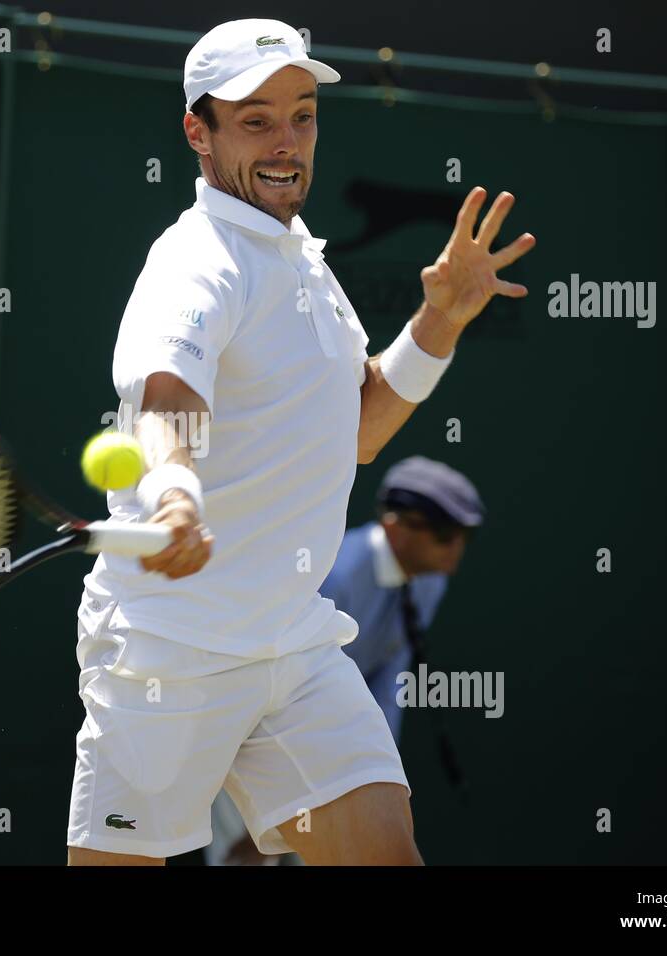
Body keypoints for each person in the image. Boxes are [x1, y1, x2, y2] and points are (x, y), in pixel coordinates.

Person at [67, 17, 535, 866]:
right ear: (196, 133)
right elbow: (167, 397)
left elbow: (357, 430)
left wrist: (439, 320)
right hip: (171, 650)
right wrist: (175, 490)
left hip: (293, 644)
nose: (288, 143)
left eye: (304, 114)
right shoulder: (195, 261)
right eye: (255, 121)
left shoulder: (300, 259)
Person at [206, 456, 485, 865]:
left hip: (327, 745)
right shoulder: (334, 575)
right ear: (395, 526)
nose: (456, 547)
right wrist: (264, 820)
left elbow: (388, 688)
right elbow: (268, 677)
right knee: (243, 860)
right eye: (445, 533)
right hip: (251, 733)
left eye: (464, 535)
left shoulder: (429, 584)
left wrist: (374, 771)